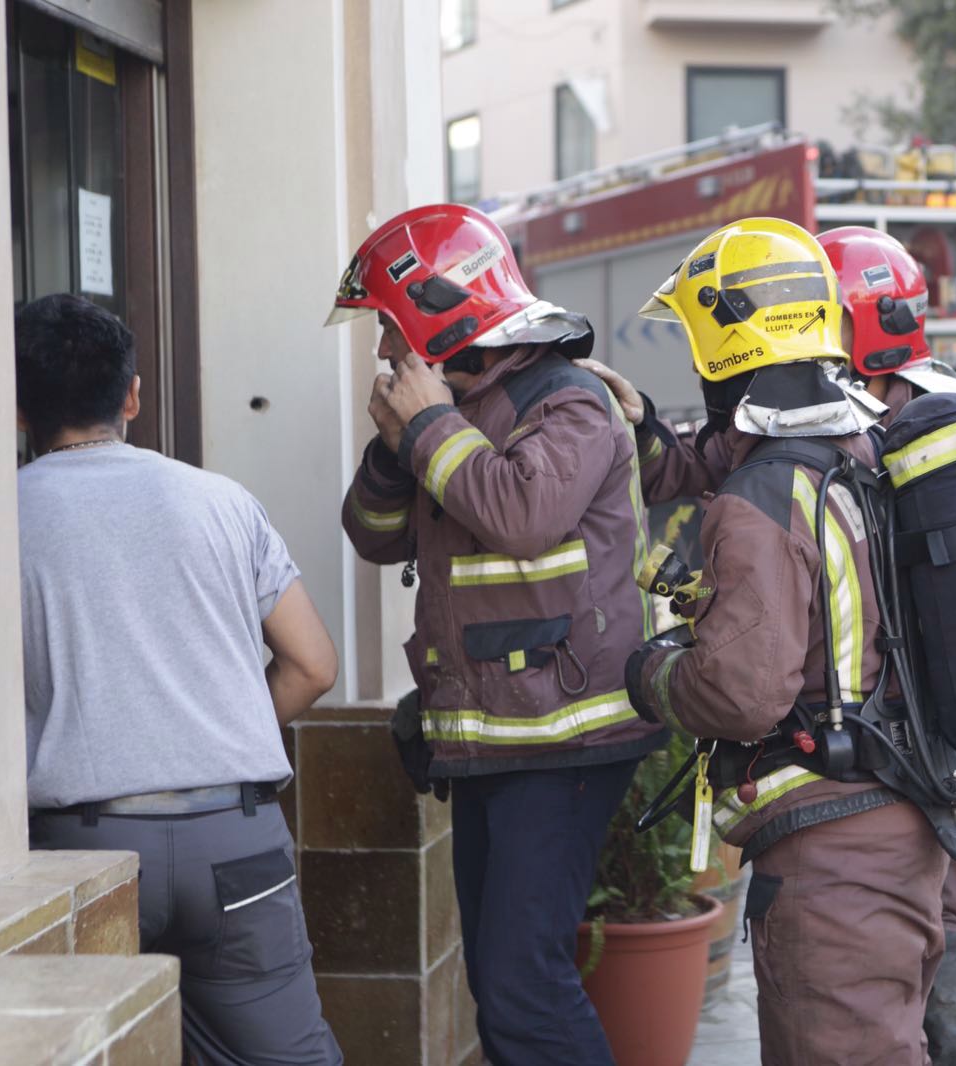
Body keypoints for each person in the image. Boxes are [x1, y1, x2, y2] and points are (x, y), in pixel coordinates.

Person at [584, 224, 956, 1066]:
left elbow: (743, 689)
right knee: (950, 1031)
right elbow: (704, 459)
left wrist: (653, 670)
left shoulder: (779, 481)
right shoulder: (892, 444)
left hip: (844, 834)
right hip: (932, 801)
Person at [329, 204, 664, 1065]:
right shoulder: (450, 413)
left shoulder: (571, 401)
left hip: (568, 738)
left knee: (524, 985)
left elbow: (523, 514)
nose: (381, 352)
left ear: (443, 312)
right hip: (494, 738)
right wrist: (392, 443)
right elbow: (373, 536)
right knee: (501, 979)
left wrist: (431, 427)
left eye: (389, 327)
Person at [622, 217, 950, 1064]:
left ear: (723, 348)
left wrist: (653, 672)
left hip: (832, 849)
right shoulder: (867, 448)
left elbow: (741, 691)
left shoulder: (766, 493)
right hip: (900, 819)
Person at [17, 294, 343, 1064]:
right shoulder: (221, 501)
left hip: (75, 855)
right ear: (133, 395)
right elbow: (313, 664)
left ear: (19, 410)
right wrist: (216, 732)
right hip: (235, 840)